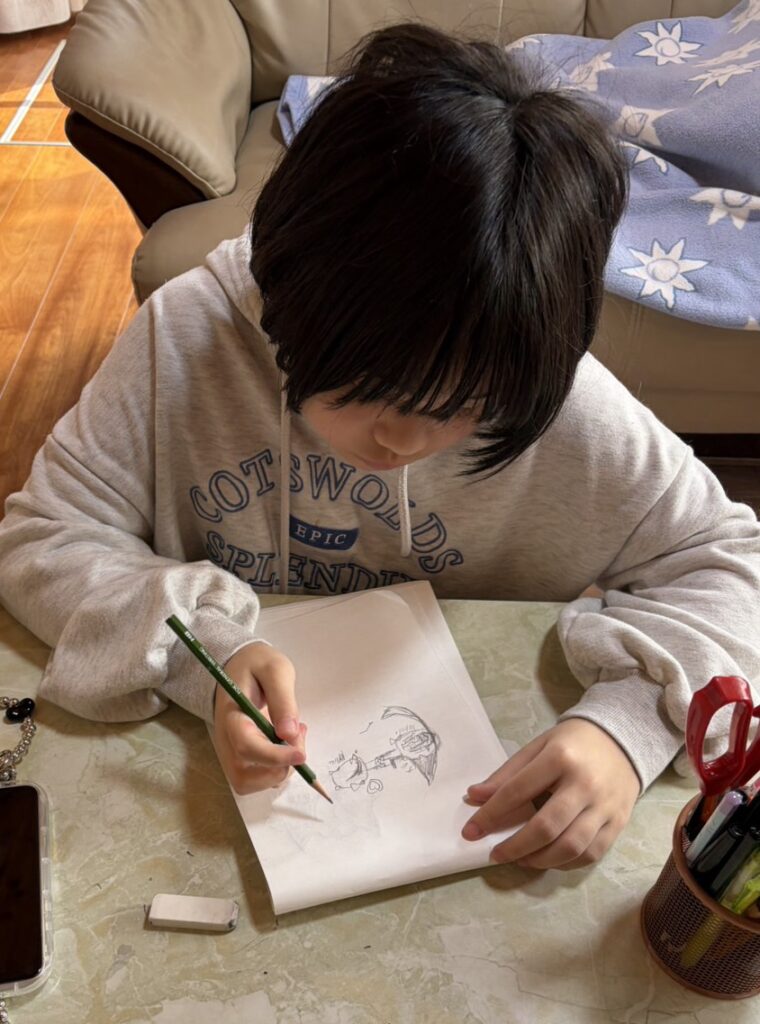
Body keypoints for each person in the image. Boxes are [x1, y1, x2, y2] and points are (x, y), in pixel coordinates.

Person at [1, 24, 758, 872]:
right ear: (290, 291)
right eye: (362, 390)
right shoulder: (184, 336)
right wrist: (199, 653)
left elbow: (732, 563)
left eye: (461, 410)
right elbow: (42, 541)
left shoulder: (543, 389)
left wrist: (627, 727)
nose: (401, 441)